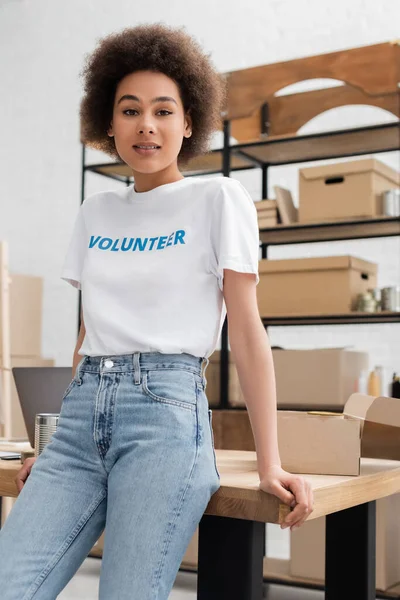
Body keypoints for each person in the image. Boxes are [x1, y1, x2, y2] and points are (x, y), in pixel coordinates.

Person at [0, 22, 313, 599]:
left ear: (188, 122)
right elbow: (88, 334)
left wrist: (271, 463)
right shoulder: (95, 213)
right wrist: (52, 442)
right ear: (108, 123)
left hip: (164, 417)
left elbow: (246, 332)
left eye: (164, 110)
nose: (146, 124)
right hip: (79, 420)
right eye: (130, 109)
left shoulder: (218, 199)